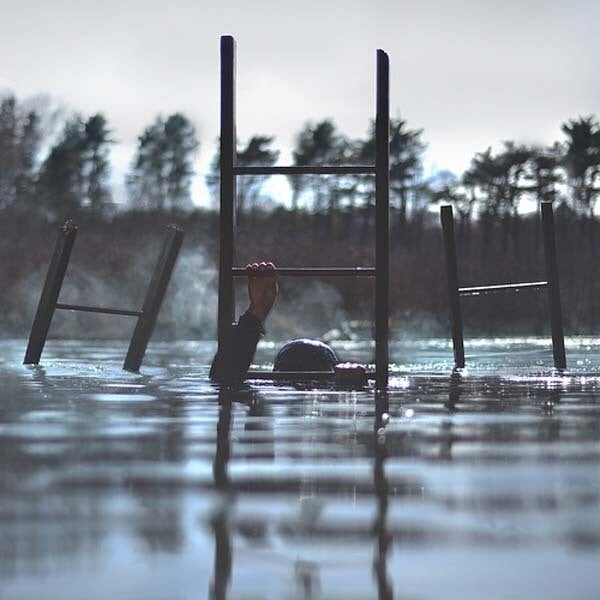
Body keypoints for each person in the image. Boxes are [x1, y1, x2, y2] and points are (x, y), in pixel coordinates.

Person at [210, 262, 366, 386]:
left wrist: (256, 313)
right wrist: (354, 384)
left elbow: (223, 380)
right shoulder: (336, 391)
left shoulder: (270, 388)